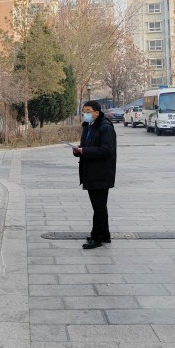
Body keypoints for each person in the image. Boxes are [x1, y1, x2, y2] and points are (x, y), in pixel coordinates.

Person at [72, 100, 116, 250]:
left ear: (97, 113)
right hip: (90, 172)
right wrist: (78, 151)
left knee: (99, 207)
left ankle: (96, 238)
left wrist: (85, 151)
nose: (85, 114)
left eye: (88, 111)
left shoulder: (105, 127)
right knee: (100, 206)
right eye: (84, 111)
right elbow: (87, 147)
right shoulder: (88, 126)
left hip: (101, 173)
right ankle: (105, 234)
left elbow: (107, 150)